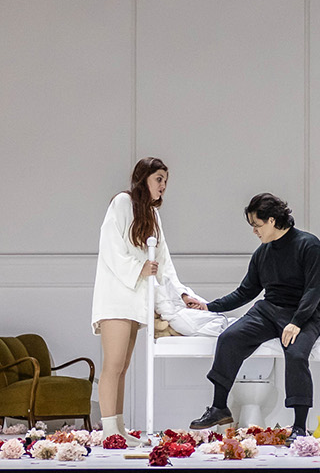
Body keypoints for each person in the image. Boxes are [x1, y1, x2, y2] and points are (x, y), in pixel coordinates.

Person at [189, 192, 320, 436]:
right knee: (229, 338)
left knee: (296, 355)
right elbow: (245, 292)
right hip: (269, 310)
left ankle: (299, 427)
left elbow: (314, 290)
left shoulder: (309, 245)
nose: (254, 231)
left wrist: (297, 322)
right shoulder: (262, 254)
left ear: (272, 220)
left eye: (257, 225)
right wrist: (209, 306)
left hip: (305, 313)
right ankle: (219, 407)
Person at [92, 157, 206, 437]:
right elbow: (110, 248)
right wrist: (139, 268)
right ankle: (109, 432)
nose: (163, 185)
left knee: (123, 367)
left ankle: (118, 430)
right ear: (143, 178)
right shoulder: (122, 203)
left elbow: (164, 261)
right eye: (159, 179)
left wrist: (182, 293)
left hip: (135, 300)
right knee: (113, 365)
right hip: (116, 298)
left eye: (166, 180)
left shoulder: (153, 216)